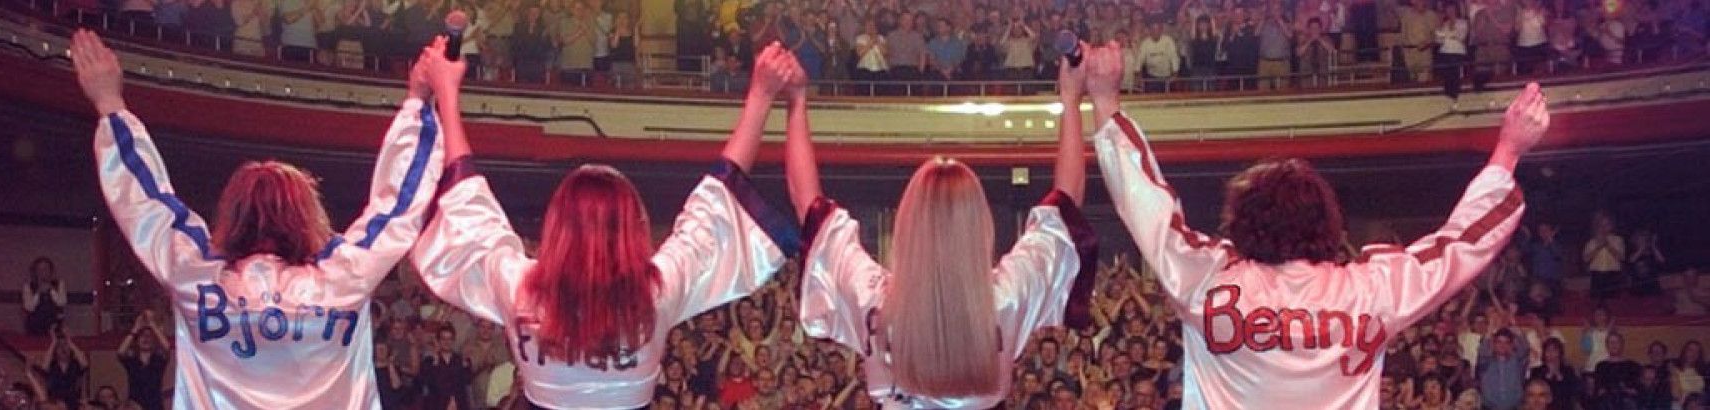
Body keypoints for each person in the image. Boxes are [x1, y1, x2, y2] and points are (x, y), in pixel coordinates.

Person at [1087, 31, 1548, 406]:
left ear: (1242, 221)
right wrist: (1507, 152)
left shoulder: (1205, 279)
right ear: (1327, 223)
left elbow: (1146, 205)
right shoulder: (1369, 290)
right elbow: (1461, 243)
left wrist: (1106, 102)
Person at [406, 43, 799, 409]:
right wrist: (761, 96)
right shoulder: (654, 294)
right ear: (633, 227)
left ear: (556, 227)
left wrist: (442, 94)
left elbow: (465, 197)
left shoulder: (520, 289)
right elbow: (719, 196)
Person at [73, 29, 448, 408]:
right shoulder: (343, 276)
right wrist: (418, 103)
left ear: (232, 215)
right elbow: (398, 205)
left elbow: (146, 203)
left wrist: (109, 103)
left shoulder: (197, 276)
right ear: (306, 216)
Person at [789, 39, 1097, 407]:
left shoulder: (875, 300)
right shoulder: (1006, 297)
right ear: (979, 228)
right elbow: (1066, 206)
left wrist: (795, 102)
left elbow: (809, 206)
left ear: (908, 226)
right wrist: (1071, 98)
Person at [115, 310, 170, 410]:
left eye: (149, 337)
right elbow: (120, 352)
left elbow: (166, 347)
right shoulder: (132, 361)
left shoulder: (158, 360)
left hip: (155, 406)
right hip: (135, 406)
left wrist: (152, 324)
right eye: (142, 336)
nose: (146, 339)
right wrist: (135, 329)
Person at [32, 328, 88, 409]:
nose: (63, 349)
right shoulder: (52, 366)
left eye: (65, 346)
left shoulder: (75, 365)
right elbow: (44, 367)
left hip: (73, 403)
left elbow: (85, 363)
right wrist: (53, 342)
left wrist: (69, 341)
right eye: (59, 347)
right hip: (55, 404)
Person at [21, 257, 65, 336]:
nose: (43, 272)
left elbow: (61, 302)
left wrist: (51, 289)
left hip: (54, 325)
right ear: (35, 272)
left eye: (45, 269)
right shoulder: (28, 286)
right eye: (39, 269)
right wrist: (38, 292)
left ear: (50, 271)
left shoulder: (59, 284)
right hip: (34, 326)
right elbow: (29, 307)